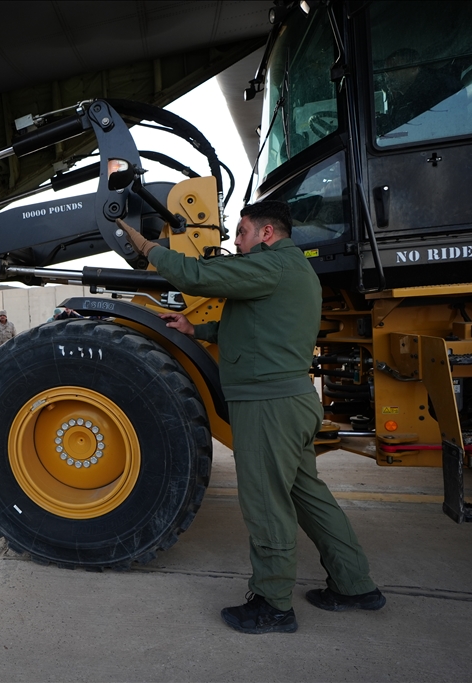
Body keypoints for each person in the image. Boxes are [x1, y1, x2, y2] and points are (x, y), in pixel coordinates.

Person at [118, 200, 384, 635]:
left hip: (268, 407)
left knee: (266, 505)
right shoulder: (290, 271)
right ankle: (355, 585)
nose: (234, 241)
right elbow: (256, 326)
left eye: (240, 232)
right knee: (308, 497)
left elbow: (195, 276)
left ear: (266, 233)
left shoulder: (271, 265)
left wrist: (148, 246)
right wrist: (195, 330)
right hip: (290, 402)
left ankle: (273, 605)